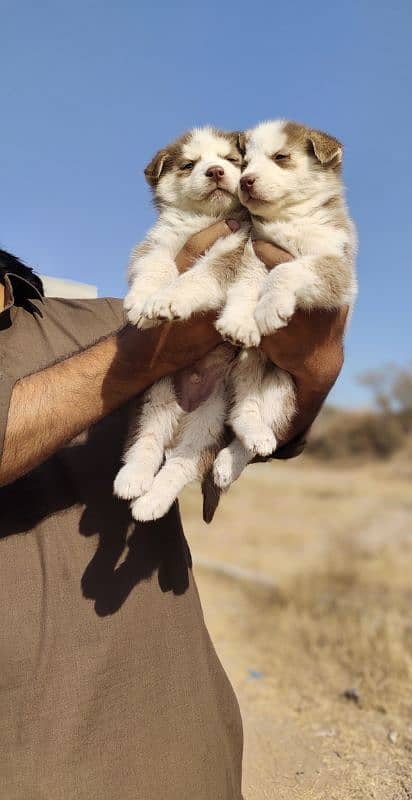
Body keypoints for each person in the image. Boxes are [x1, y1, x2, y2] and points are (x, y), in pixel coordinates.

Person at [0, 221, 346, 800]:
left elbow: (264, 418)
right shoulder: (135, 337)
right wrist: (141, 357)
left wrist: (312, 371)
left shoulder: (99, 318)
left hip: (174, 744)